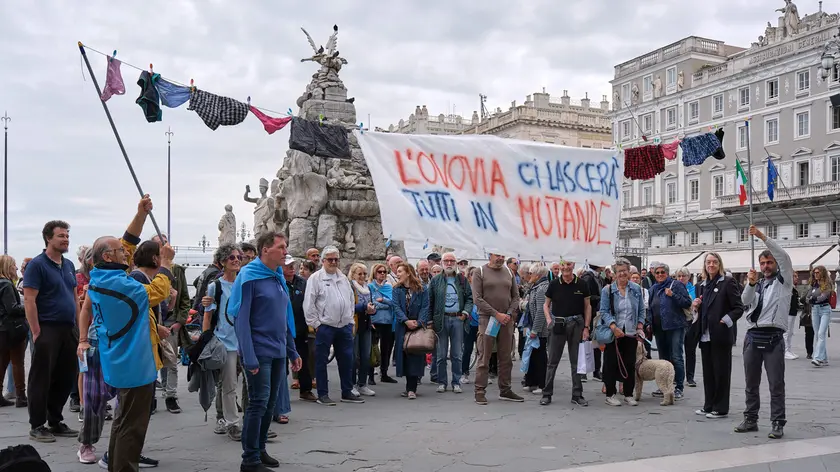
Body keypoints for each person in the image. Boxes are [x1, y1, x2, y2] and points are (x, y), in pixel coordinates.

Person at [78, 195, 170, 470]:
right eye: (120, 251)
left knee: (122, 422)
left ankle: (116, 465)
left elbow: (127, 241)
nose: (126, 252)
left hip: (118, 361)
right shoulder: (124, 286)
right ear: (108, 257)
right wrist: (165, 262)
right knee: (132, 428)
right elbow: (159, 290)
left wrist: (140, 214)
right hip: (135, 366)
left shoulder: (100, 276)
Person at [227, 231, 301, 472]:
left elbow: (284, 318)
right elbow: (241, 319)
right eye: (281, 247)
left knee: (270, 405)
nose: (285, 251)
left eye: (285, 246)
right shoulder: (249, 277)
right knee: (258, 403)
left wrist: (292, 351)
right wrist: (248, 357)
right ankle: (249, 459)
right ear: (265, 250)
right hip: (259, 350)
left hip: (279, 349)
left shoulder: (277, 276)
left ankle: (259, 449)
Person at [24, 219, 80, 443]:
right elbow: (29, 300)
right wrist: (36, 331)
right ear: (48, 238)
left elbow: (75, 298)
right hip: (47, 328)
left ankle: (55, 420)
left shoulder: (68, 265)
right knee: (41, 378)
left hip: (68, 329)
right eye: (61, 236)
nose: (66, 239)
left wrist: (78, 327)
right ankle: (37, 425)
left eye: (67, 235)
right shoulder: (37, 265)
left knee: (66, 377)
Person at [736, 225, 791, 439]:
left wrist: (762, 237)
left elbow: (784, 256)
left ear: (775, 264)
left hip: (774, 338)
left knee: (776, 383)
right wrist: (749, 284)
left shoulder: (783, 282)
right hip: (753, 336)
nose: (766, 266)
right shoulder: (757, 284)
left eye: (769, 262)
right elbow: (745, 302)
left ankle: (778, 422)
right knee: (751, 382)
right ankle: (751, 419)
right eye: (763, 263)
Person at [303, 246, 361, 406]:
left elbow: (350, 300)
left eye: (336, 259)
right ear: (323, 261)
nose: (333, 262)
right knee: (321, 361)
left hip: (344, 326)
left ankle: (347, 391)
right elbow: (309, 303)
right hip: (325, 326)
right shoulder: (315, 279)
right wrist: (315, 324)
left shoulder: (343, 278)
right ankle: (323, 394)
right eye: (330, 259)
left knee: (347, 360)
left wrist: (350, 321)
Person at [692, 253, 744, 420]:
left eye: (714, 262)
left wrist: (725, 320)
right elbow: (700, 309)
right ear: (705, 265)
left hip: (720, 334)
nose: (711, 265)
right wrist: (696, 306)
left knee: (721, 372)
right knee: (708, 372)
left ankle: (721, 408)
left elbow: (738, 308)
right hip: (705, 334)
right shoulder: (701, 285)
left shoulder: (728, 282)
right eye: (708, 262)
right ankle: (709, 405)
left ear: (719, 264)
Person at [201, 243, 244, 441]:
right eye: (231, 258)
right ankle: (232, 423)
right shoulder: (215, 286)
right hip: (226, 341)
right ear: (222, 262)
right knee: (229, 384)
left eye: (238, 257)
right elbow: (208, 317)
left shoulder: (243, 283)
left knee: (249, 384)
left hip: (245, 340)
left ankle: (246, 420)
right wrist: (205, 341)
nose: (236, 260)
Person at [472, 253, 522, 405]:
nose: (500, 258)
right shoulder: (479, 272)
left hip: (506, 320)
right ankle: (480, 390)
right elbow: (477, 299)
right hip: (487, 319)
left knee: (506, 356)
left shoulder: (508, 272)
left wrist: (507, 314)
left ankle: (505, 389)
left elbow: (516, 296)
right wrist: (496, 314)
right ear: (489, 255)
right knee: (484, 356)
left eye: (502, 255)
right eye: (497, 255)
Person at [541, 260, 591, 407]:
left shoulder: (582, 284)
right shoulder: (554, 284)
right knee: (552, 361)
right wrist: (549, 320)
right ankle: (547, 394)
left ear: (573, 265)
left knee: (576, 361)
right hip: (558, 324)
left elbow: (587, 306)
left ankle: (577, 394)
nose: (565, 268)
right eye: (563, 265)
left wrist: (587, 327)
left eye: (568, 265)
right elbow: (546, 304)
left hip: (577, 324)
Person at [599, 258, 645, 407]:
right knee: (611, 363)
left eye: (625, 270)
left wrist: (640, 326)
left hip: (630, 331)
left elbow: (642, 310)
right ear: (614, 273)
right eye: (619, 271)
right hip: (614, 332)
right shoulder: (607, 290)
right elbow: (604, 312)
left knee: (630, 363)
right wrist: (613, 326)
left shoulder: (636, 289)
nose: (622, 273)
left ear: (629, 272)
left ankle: (628, 394)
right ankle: (610, 394)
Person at [429, 253, 473, 394]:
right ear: (441, 263)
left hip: (457, 319)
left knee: (456, 354)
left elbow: (470, 298)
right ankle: (442, 382)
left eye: (451, 261)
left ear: (455, 263)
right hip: (441, 320)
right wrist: (430, 320)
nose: (449, 263)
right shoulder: (436, 280)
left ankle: (456, 382)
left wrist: (465, 313)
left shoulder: (461, 279)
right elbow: (429, 301)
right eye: (446, 261)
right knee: (441, 354)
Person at [648, 262, 692, 400]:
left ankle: (679, 387)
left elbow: (687, 302)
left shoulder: (676, 285)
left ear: (667, 273)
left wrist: (673, 295)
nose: (660, 275)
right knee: (664, 360)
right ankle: (665, 386)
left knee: (676, 356)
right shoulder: (653, 288)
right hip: (659, 328)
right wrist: (649, 323)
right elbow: (650, 307)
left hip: (675, 326)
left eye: (662, 272)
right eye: (657, 273)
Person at [392, 262, 431, 400]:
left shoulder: (422, 289)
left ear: (408, 273)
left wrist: (419, 322)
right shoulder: (396, 289)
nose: (397, 274)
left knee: (415, 354)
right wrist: (405, 321)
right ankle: (409, 386)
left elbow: (426, 307)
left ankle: (412, 388)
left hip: (417, 326)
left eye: (400, 271)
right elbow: (396, 307)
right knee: (405, 355)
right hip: (403, 326)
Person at [282, 256, 315, 402]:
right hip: (282, 328)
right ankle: (280, 392)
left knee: (303, 358)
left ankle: (306, 390)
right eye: (288, 265)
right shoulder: (278, 281)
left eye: (293, 265)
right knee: (282, 361)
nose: (292, 268)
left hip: (300, 327)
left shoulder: (302, 283)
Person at [0, 255, 27, 408]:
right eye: (13, 265)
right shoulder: (7, 285)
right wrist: (28, 307)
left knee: (2, 362)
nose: (16, 268)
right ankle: (21, 396)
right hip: (13, 329)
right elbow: (12, 309)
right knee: (17, 362)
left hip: (2, 329)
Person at [348, 262, 375, 397]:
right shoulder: (350, 287)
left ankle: (362, 383)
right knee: (353, 356)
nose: (362, 276)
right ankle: (351, 383)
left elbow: (370, 303)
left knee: (366, 355)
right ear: (353, 274)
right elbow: (350, 306)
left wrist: (372, 309)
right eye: (360, 274)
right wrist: (365, 307)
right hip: (354, 324)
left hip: (366, 324)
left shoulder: (367, 288)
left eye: (364, 274)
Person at [369, 263, 397, 384]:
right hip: (375, 321)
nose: (382, 274)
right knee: (372, 349)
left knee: (387, 348)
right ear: (374, 273)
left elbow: (394, 303)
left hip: (388, 321)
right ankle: (370, 375)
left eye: (384, 272)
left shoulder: (389, 287)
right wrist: (384, 304)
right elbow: (372, 303)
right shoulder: (370, 287)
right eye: (379, 271)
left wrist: (383, 301)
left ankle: (384, 373)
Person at [524, 264, 550, 394]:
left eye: (531, 273)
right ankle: (532, 382)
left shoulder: (542, 288)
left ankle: (542, 384)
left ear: (538, 275)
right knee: (532, 355)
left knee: (540, 356)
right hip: (533, 326)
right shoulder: (535, 287)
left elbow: (541, 310)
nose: (529, 275)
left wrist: (535, 329)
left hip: (540, 329)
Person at [807, 265, 835, 368]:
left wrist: (812, 298)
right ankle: (824, 358)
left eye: (818, 272)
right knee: (817, 334)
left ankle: (817, 358)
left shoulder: (827, 284)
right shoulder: (813, 284)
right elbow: (807, 296)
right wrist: (812, 298)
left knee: (821, 333)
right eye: (814, 273)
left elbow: (823, 297)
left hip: (825, 309)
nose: (816, 274)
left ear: (822, 273)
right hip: (815, 310)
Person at [675, 267, 699, 388]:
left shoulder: (694, 289)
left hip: (691, 322)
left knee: (690, 350)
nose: (681, 278)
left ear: (688, 277)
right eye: (678, 276)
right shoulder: (674, 288)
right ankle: (676, 376)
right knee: (676, 351)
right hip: (678, 322)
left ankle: (690, 377)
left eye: (683, 276)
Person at [460, 267, 480, 385]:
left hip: (481, 323)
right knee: (467, 349)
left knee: (482, 350)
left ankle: (482, 373)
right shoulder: (465, 290)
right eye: (474, 275)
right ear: (469, 277)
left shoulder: (483, 289)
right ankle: (464, 373)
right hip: (469, 324)